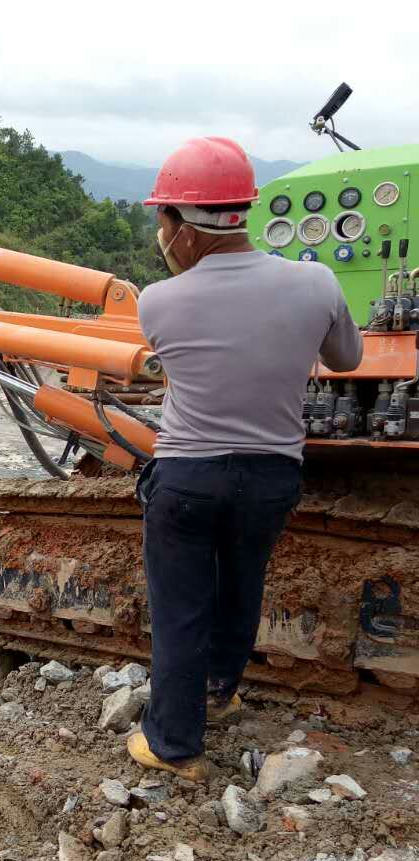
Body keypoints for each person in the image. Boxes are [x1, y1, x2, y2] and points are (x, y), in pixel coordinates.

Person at [127, 137, 364, 782]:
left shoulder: (159, 301)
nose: (160, 232)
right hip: (271, 476)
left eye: (162, 219)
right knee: (241, 585)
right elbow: (347, 361)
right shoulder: (316, 281)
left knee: (180, 605)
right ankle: (220, 689)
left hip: (188, 476)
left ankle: (173, 744)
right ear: (245, 210)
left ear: (179, 225)